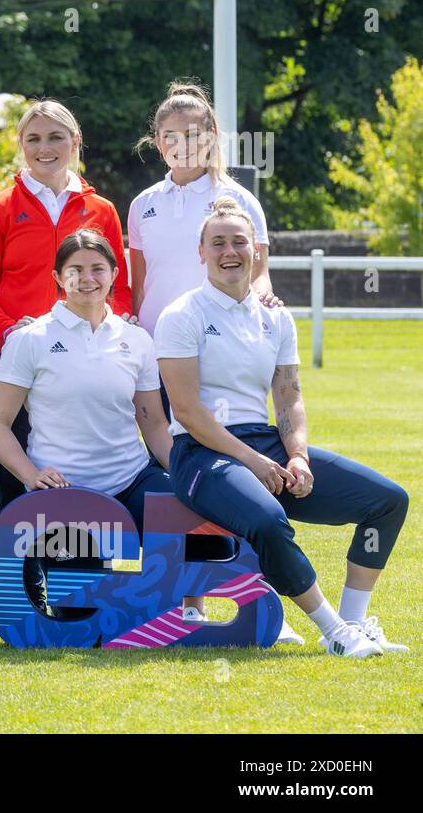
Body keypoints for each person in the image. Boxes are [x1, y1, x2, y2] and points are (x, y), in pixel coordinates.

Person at [157, 199, 409, 658]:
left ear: (256, 250)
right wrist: (254, 462)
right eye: (218, 243)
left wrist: (297, 456)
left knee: (387, 501)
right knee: (267, 521)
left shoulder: (275, 316)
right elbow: (189, 411)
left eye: (239, 242)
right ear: (201, 252)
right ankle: (334, 631)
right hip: (200, 453)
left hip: (266, 445)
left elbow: (288, 397)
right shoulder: (182, 315)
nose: (229, 251)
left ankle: (356, 621)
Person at [0, 229, 210, 620]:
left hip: (130, 479)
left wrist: (187, 475)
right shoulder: (29, 340)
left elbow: (154, 425)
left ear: (114, 274)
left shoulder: (138, 340)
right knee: (81, 620)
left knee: (181, 510)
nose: (87, 279)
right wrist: (31, 474)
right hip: (65, 494)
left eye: (97, 269)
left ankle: (190, 610)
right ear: (57, 278)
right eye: (75, 271)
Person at [0, 99, 133, 517]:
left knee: (77, 479)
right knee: (16, 486)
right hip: (15, 364)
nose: (45, 148)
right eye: (34, 139)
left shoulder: (102, 210)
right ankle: (23, 581)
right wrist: (12, 336)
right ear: (21, 144)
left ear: (75, 141)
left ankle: (81, 569)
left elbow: (121, 290)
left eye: (56, 137)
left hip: (81, 368)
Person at [129, 81, 279, 422]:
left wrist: (265, 297)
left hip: (219, 346)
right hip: (156, 348)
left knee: (218, 441)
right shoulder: (142, 205)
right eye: (170, 135)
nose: (182, 145)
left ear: (211, 138)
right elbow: (139, 287)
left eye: (193, 134)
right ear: (157, 142)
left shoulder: (240, 200)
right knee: (163, 446)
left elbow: (260, 276)